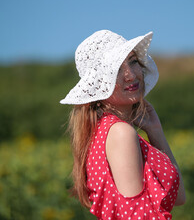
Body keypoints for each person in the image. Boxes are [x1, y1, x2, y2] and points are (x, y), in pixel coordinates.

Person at [60, 30, 186, 219]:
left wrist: (156, 131)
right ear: (99, 83)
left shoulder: (104, 131)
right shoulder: (121, 133)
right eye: (116, 69)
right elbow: (136, 215)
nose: (130, 75)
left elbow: (178, 197)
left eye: (133, 61)